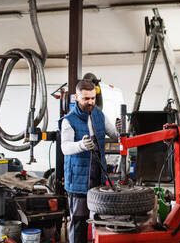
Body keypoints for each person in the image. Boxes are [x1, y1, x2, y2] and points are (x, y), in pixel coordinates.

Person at [60, 79, 120, 243]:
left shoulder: (99, 114)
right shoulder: (69, 120)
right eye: (86, 99)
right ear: (77, 98)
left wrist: (121, 130)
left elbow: (115, 135)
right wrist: (80, 145)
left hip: (98, 177)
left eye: (93, 98)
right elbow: (65, 148)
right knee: (79, 220)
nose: (91, 102)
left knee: (99, 220)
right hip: (79, 180)